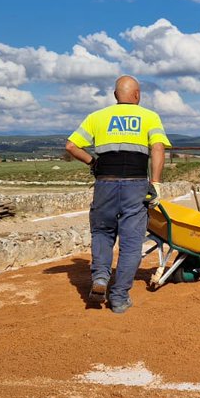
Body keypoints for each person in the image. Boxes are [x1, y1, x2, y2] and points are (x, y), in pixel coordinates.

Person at [66, 76, 171, 313]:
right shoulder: (149, 117)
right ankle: (119, 297)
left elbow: (71, 146)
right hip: (135, 185)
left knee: (102, 232)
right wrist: (155, 183)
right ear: (137, 95)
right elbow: (157, 148)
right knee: (131, 243)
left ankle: (100, 278)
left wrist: (93, 162)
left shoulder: (97, 117)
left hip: (105, 184)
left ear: (115, 96)